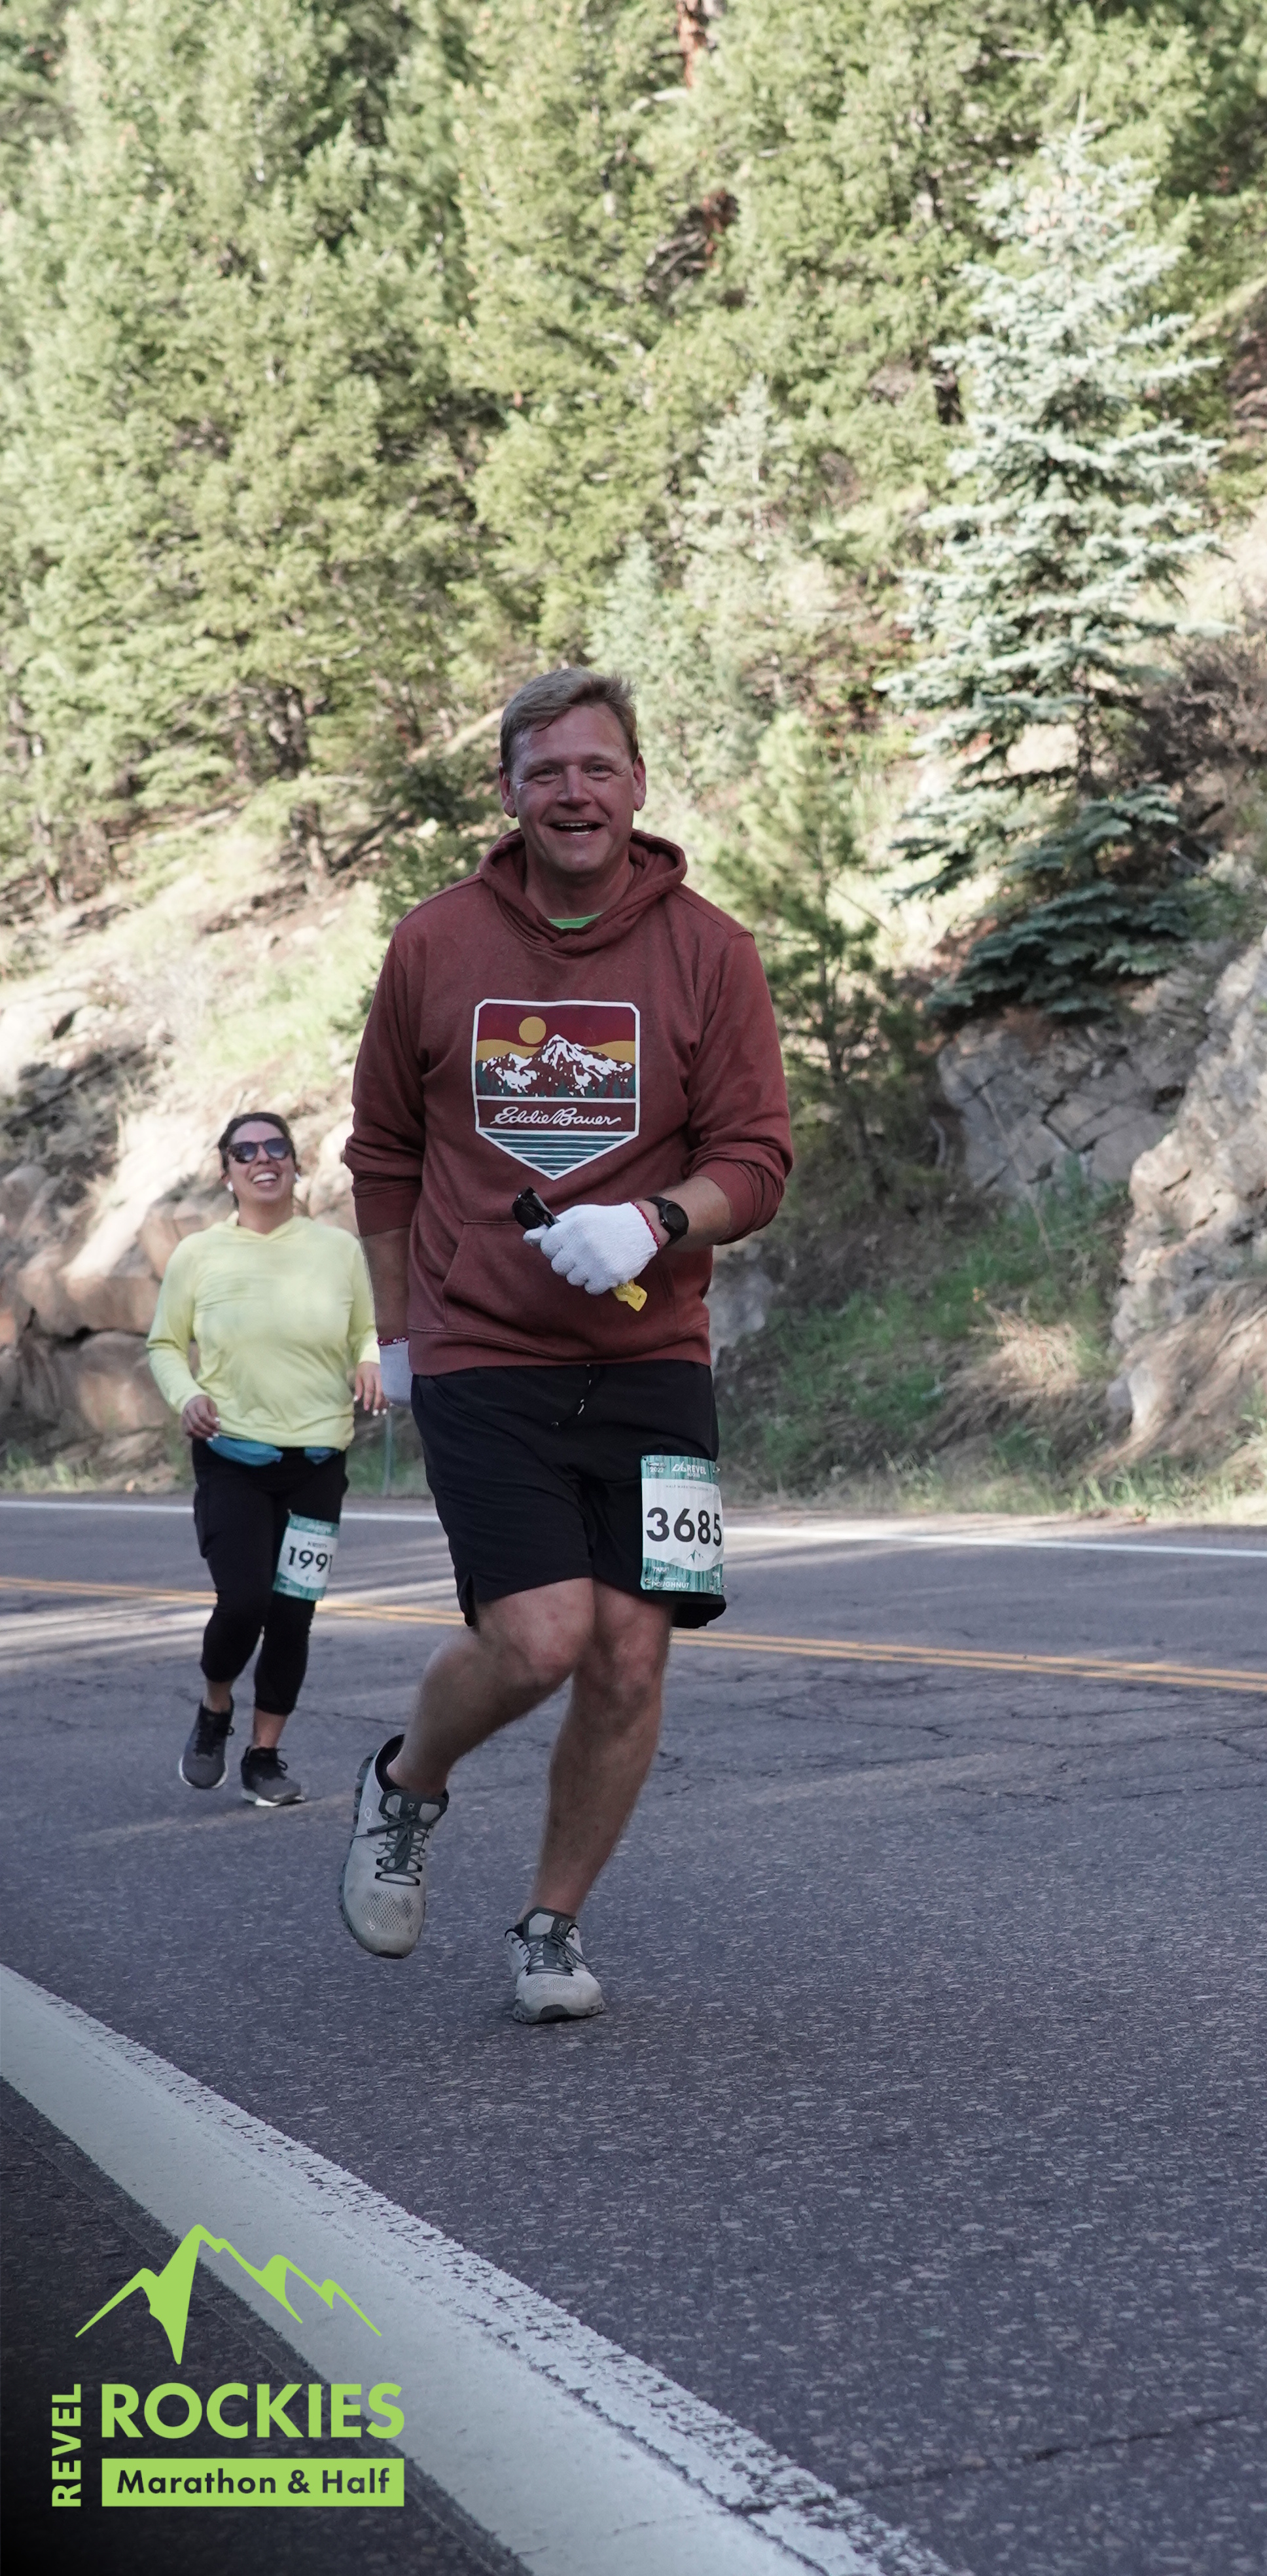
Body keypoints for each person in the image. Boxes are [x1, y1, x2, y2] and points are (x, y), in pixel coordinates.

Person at [338, 666, 791, 2022]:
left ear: (637, 784)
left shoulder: (709, 950)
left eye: (598, 768)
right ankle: (405, 1783)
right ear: (508, 793)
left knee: (631, 1655)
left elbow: (756, 1159)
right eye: (547, 772)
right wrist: (397, 1335)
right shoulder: (434, 945)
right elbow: (383, 1155)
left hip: (656, 1358)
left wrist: (657, 1221)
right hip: (484, 1351)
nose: (575, 793)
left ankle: (550, 1924)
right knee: (540, 1639)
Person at [147, 1111, 384, 1804]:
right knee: (245, 1599)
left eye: (276, 1147)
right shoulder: (199, 1254)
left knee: (291, 1612)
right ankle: (215, 1706)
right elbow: (165, 1345)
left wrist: (370, 1360)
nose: (263, 1159)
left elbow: (369, 1329)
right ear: (227, 1172)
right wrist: (188, 1395)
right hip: (232, 1453)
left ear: (295, 1163)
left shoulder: (337, 1249)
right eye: (245, 1151)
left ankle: (264, 1755)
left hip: (317, 1457)